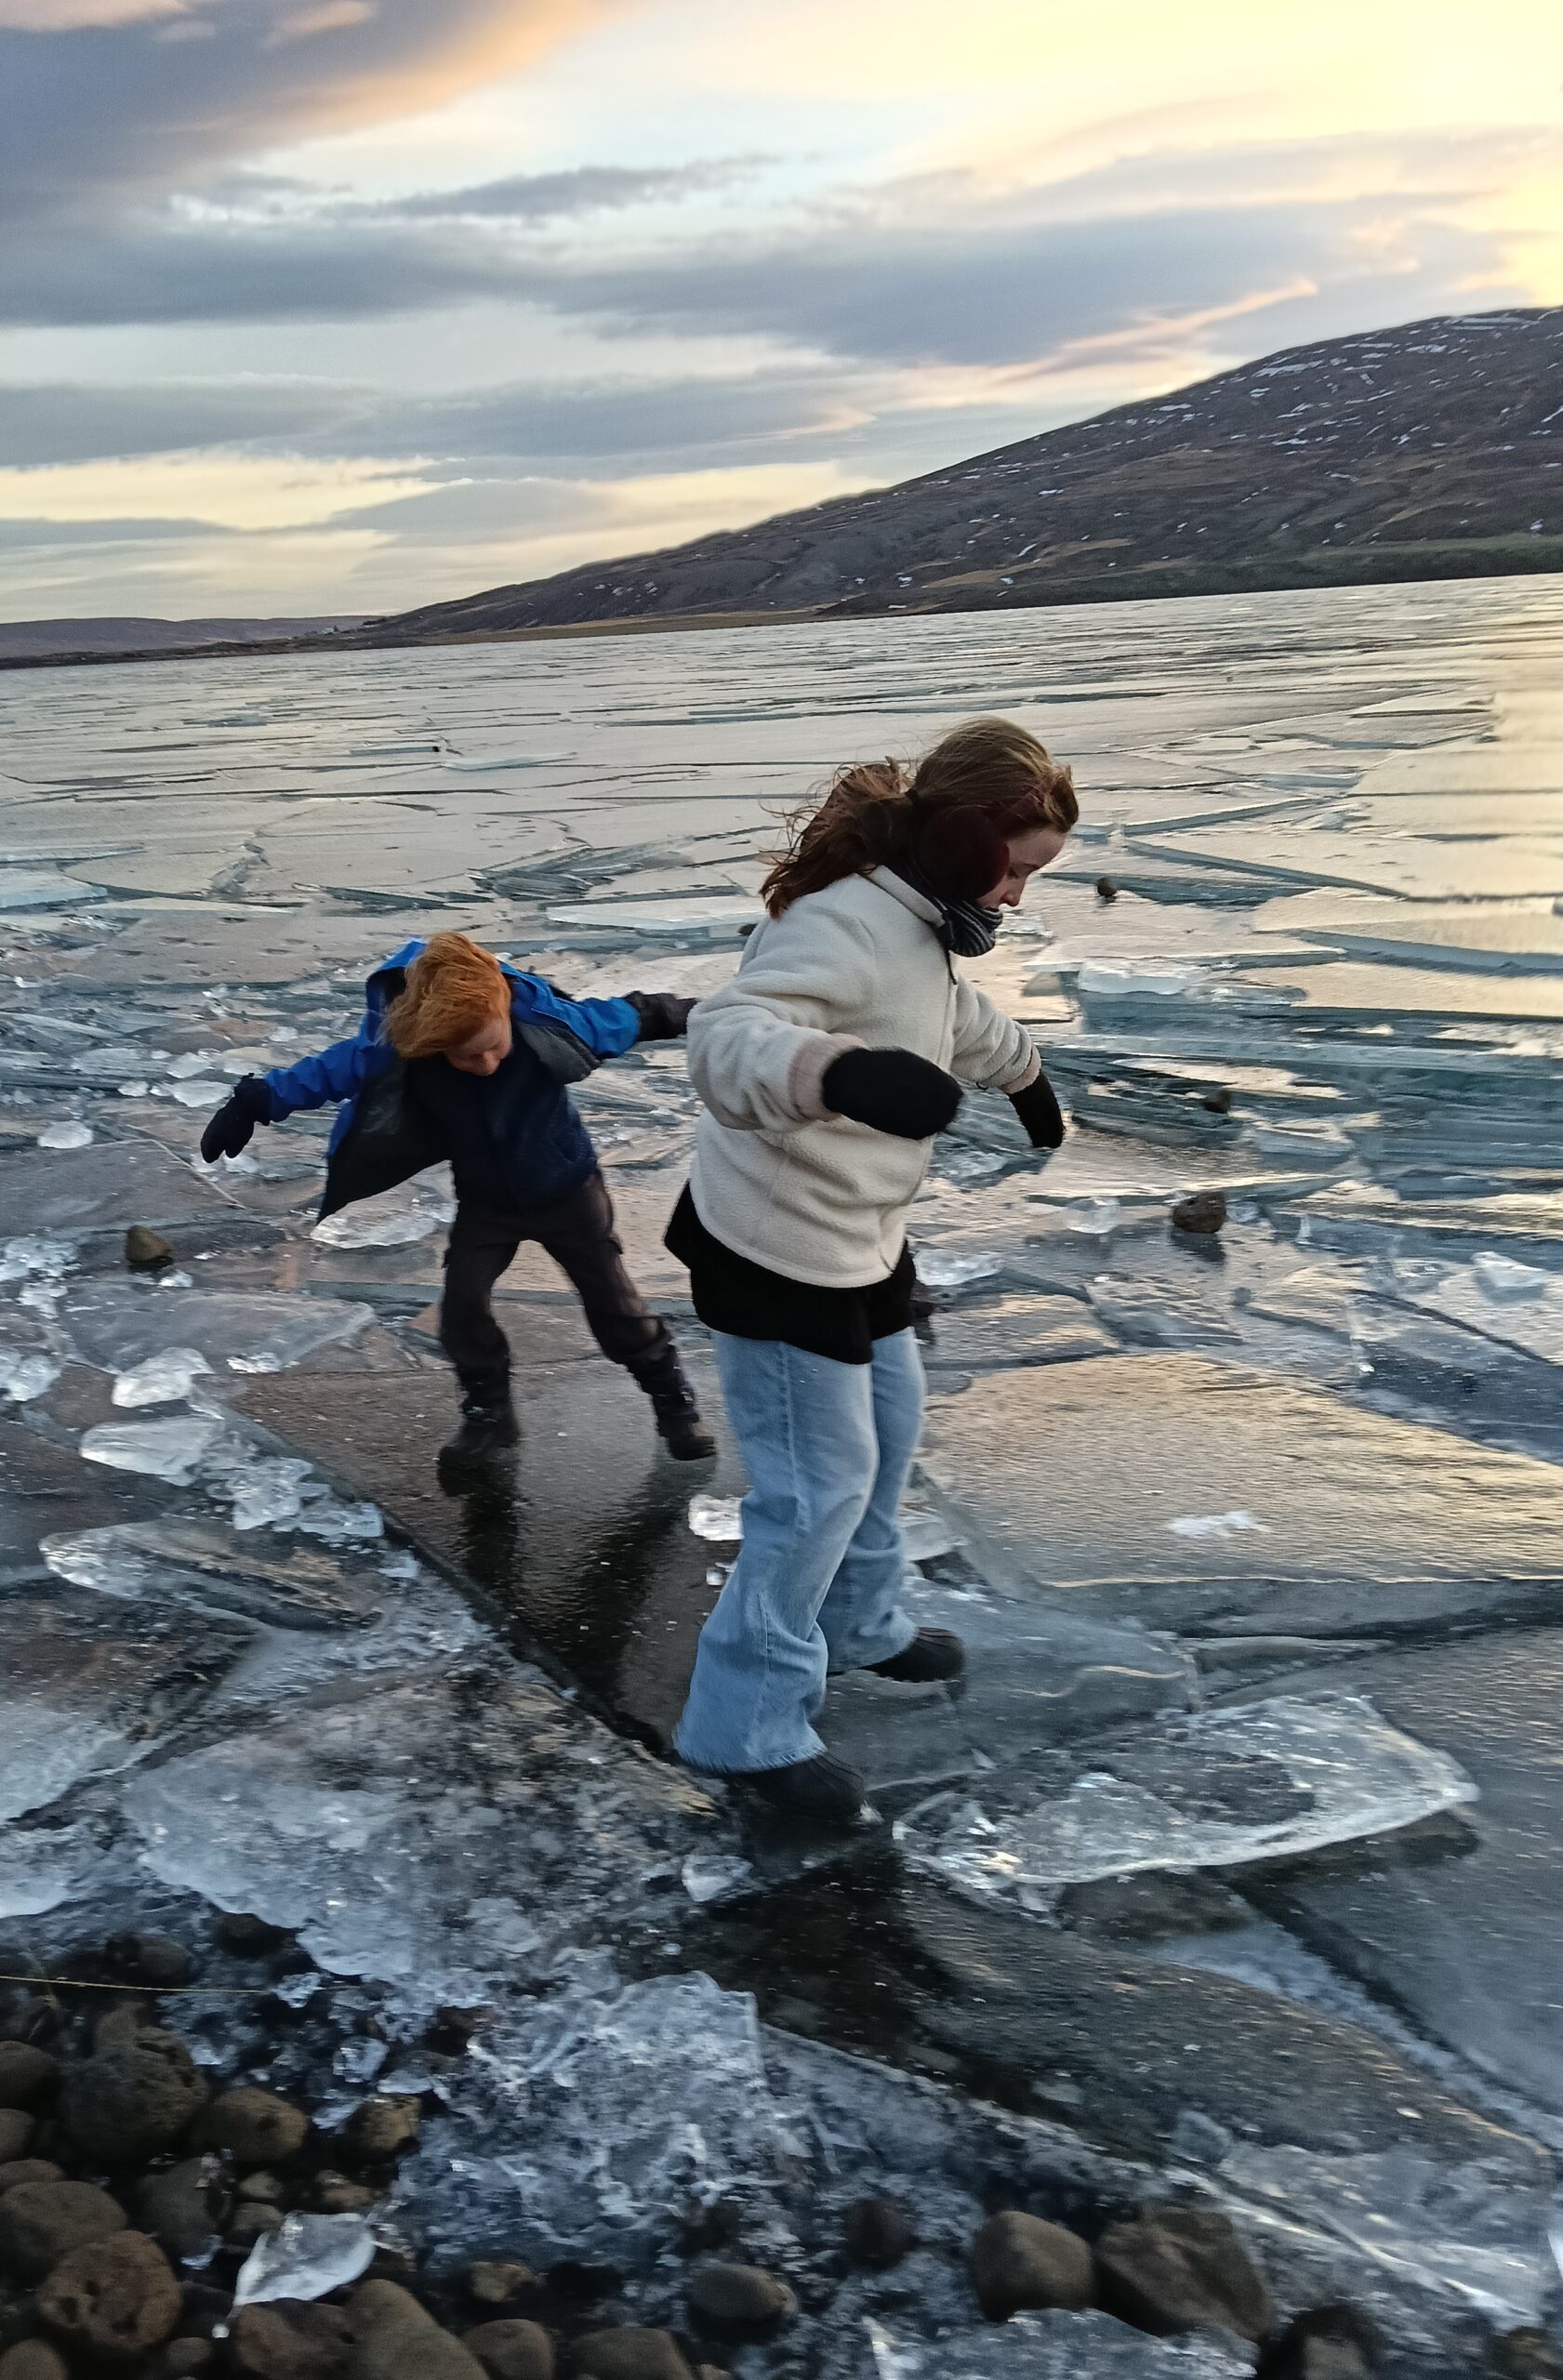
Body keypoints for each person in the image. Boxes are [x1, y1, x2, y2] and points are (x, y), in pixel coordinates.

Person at [665, 717, 1076, 1824]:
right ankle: (741, 1727)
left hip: (859, 1236)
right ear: (964, 838)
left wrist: (1025, 1076)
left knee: (889, 1431)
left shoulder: (918, 925)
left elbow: (951, 1015)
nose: (1022, 897)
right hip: (775, 1245)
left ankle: (859, 1621)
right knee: (815, 1486)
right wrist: (836, 1073)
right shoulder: (840, 922)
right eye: (1020, 870)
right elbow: (724, 1034)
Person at [200, 932, 715, 1465]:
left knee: (615, 1307)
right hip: (487, 1204)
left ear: (505, 1010)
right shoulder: (404, 1055)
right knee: (462, 1310)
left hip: (568, 1192)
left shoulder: (545, 1027)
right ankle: (490, 1414)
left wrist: (709, 1013)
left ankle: (672, 1401)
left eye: (495, 1045)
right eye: (467, 1057)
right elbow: (328, 1071)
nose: (487, 1062)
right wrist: (255, 1101)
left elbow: (636, 1015)